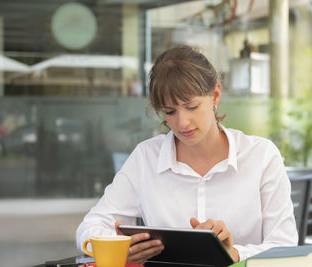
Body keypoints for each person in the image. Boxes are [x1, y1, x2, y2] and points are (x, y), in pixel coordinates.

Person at [76, 45, 298, 263]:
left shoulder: (261, 156)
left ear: (215, 95)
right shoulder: (146, 157)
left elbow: (285, 247)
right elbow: (89, 228)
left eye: (191, 107)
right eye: (170, 112)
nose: (182, 123)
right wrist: (120, 247)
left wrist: (235, 255)